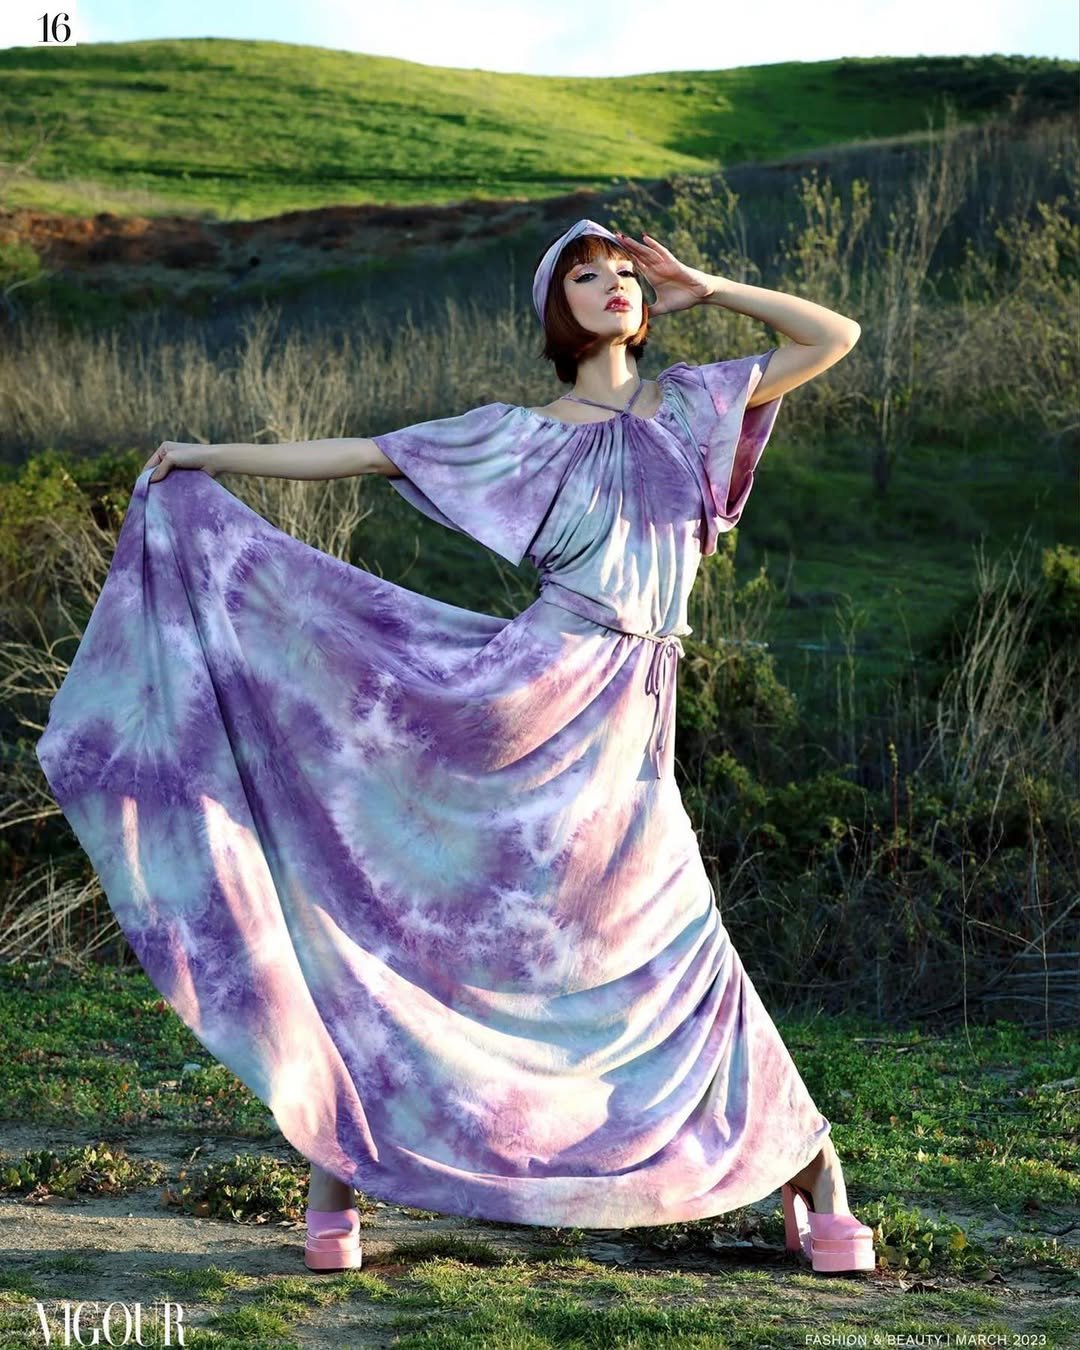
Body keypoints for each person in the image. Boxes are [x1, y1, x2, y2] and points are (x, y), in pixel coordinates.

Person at [37, 218, 872, 1276]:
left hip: (630, 712)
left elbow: (832, 336)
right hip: (521, 700)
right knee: (436, 922)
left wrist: (706, 286)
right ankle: (339, 1167)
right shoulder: (517, 434)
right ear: (555, 311)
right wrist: (206, 457)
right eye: (587, 275)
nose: (615, 284)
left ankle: (807, 1166)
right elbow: (366, 456)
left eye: (625, 271)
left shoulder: (697, 404)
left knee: (671, 935)